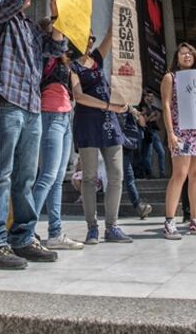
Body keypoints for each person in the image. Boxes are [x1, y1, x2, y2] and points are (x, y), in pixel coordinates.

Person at [0, 0, 67, 269]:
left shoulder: (30, 27)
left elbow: (55, 48)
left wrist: (57, 19)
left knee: (26, 177)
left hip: (31, 105)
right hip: (6, 100)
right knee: (0, 173)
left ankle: (23, 237)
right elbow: (10, 4)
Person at [70, 29, 134, 244]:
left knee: (116, 175)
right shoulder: (72, 65)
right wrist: (108, 105)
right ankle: (92, 228)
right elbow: (79, 96)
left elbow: (111, 35)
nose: (90, 40)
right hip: (87, 123)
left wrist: (120, 12)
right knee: (89, 177)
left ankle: (112, 226)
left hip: (109, 122)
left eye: (92, 37)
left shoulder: (97, 58)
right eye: (86, 36)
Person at [31, 27, 83, 251]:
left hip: (64, 117)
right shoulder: (42, 55)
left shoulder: (64, 61)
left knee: (58, 179)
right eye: (58, 32)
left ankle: (55, 233)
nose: (63, 37)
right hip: (49, 115)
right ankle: (25, 231)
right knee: (47, 176)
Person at [161, 43, 196, 239]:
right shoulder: (171, 77)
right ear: (177, 57)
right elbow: (166, 105)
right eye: (183, 53)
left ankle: (195, 219)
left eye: (190, 53)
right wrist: (170, 133)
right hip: (181, 132)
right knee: (180, 173)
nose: (187, 56)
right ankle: (169, 221)